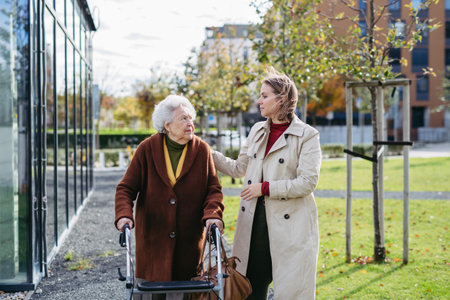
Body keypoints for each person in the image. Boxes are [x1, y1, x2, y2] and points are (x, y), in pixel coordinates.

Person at [211, 69, 321, 299]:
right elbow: (239, 168)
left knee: (290, 289)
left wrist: (265, 188)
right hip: (255, 221)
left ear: (281, 99)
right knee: (251, 284)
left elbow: (307, 182)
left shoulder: (307, 135)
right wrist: (205, 152)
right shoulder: (257, 130)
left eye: (264, 95)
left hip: (290, 223)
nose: (259, 101)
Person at [115, 95, 224, 300]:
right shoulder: (147, 149)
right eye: (183, 119)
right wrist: (124, 215)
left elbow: (213, 190)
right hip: (153, 244)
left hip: (188, 244)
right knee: (150, 294)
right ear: (167, 125)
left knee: (184, 294)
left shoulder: (201, 150)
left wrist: (213, 214)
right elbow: (125, 188)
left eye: (191, 118)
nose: (190, 123)